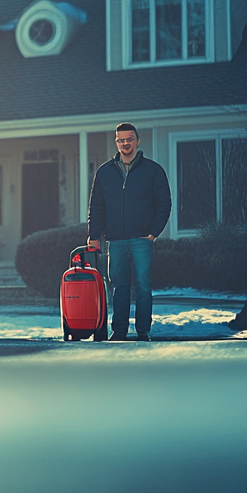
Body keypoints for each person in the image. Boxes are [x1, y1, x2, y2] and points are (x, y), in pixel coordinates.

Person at [87, 123, 171, 341]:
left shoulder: (153, 170)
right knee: (119, 288)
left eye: (129, 139)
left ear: (137, 141)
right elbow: (96, 206)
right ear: (117, 142)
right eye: (121, 140)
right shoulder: (104, 172)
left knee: (143, 285)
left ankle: (143, 331)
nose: (125, 143)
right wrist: (94, 235)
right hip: (115, 240)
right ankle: (120, 331)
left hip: (142, 239)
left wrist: (153, 233)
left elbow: (164, 203)